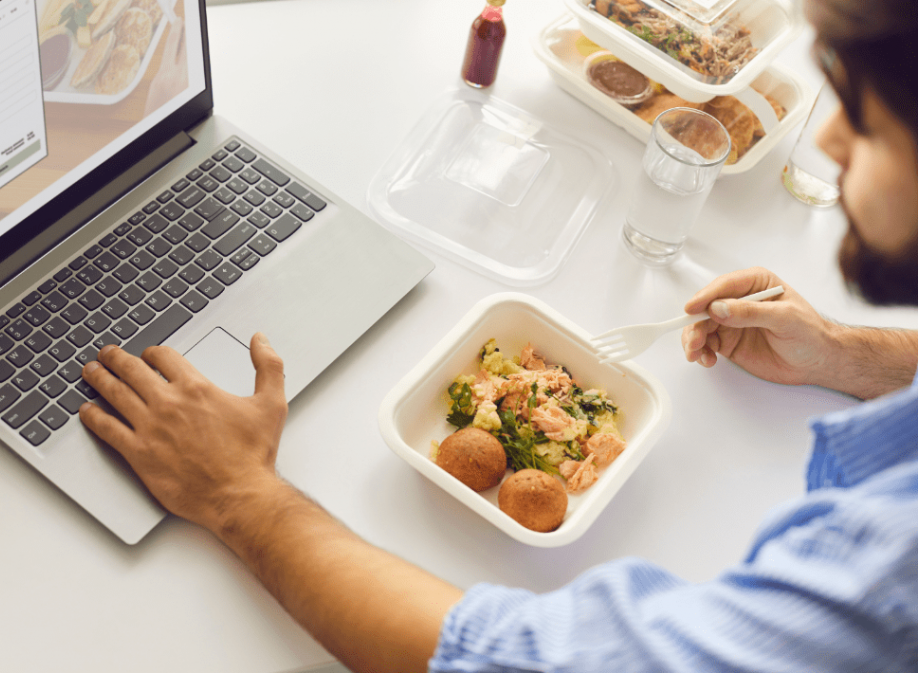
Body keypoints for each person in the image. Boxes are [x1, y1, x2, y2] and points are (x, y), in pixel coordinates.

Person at [77, 0, 918, 670]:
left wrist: (239, 493)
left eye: (866, 116)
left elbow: (532, 660)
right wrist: (855, 356)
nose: (833, 139)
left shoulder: (886, 579)